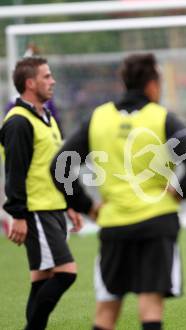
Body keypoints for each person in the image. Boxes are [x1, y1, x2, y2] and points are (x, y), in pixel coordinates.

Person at [50, 53, 186, 330]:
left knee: (107, 309)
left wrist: (87, 205)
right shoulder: (161, 118)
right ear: (151, 85)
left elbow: (59, 167)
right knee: (150, 306)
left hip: (114, 225)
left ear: (124, 82)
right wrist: (182, 193)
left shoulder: (98, 118)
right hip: (157, 224)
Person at [0, 57, 83, 330]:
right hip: (36, 211)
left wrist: (70, 205)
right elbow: (15, 172)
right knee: (66, 273)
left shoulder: (46, 116)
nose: (53, 80)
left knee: (42, 279)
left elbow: (56, 168)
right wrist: (18, 215)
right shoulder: (17, 122)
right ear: (30, 83)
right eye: (46, 76)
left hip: (54, 208)